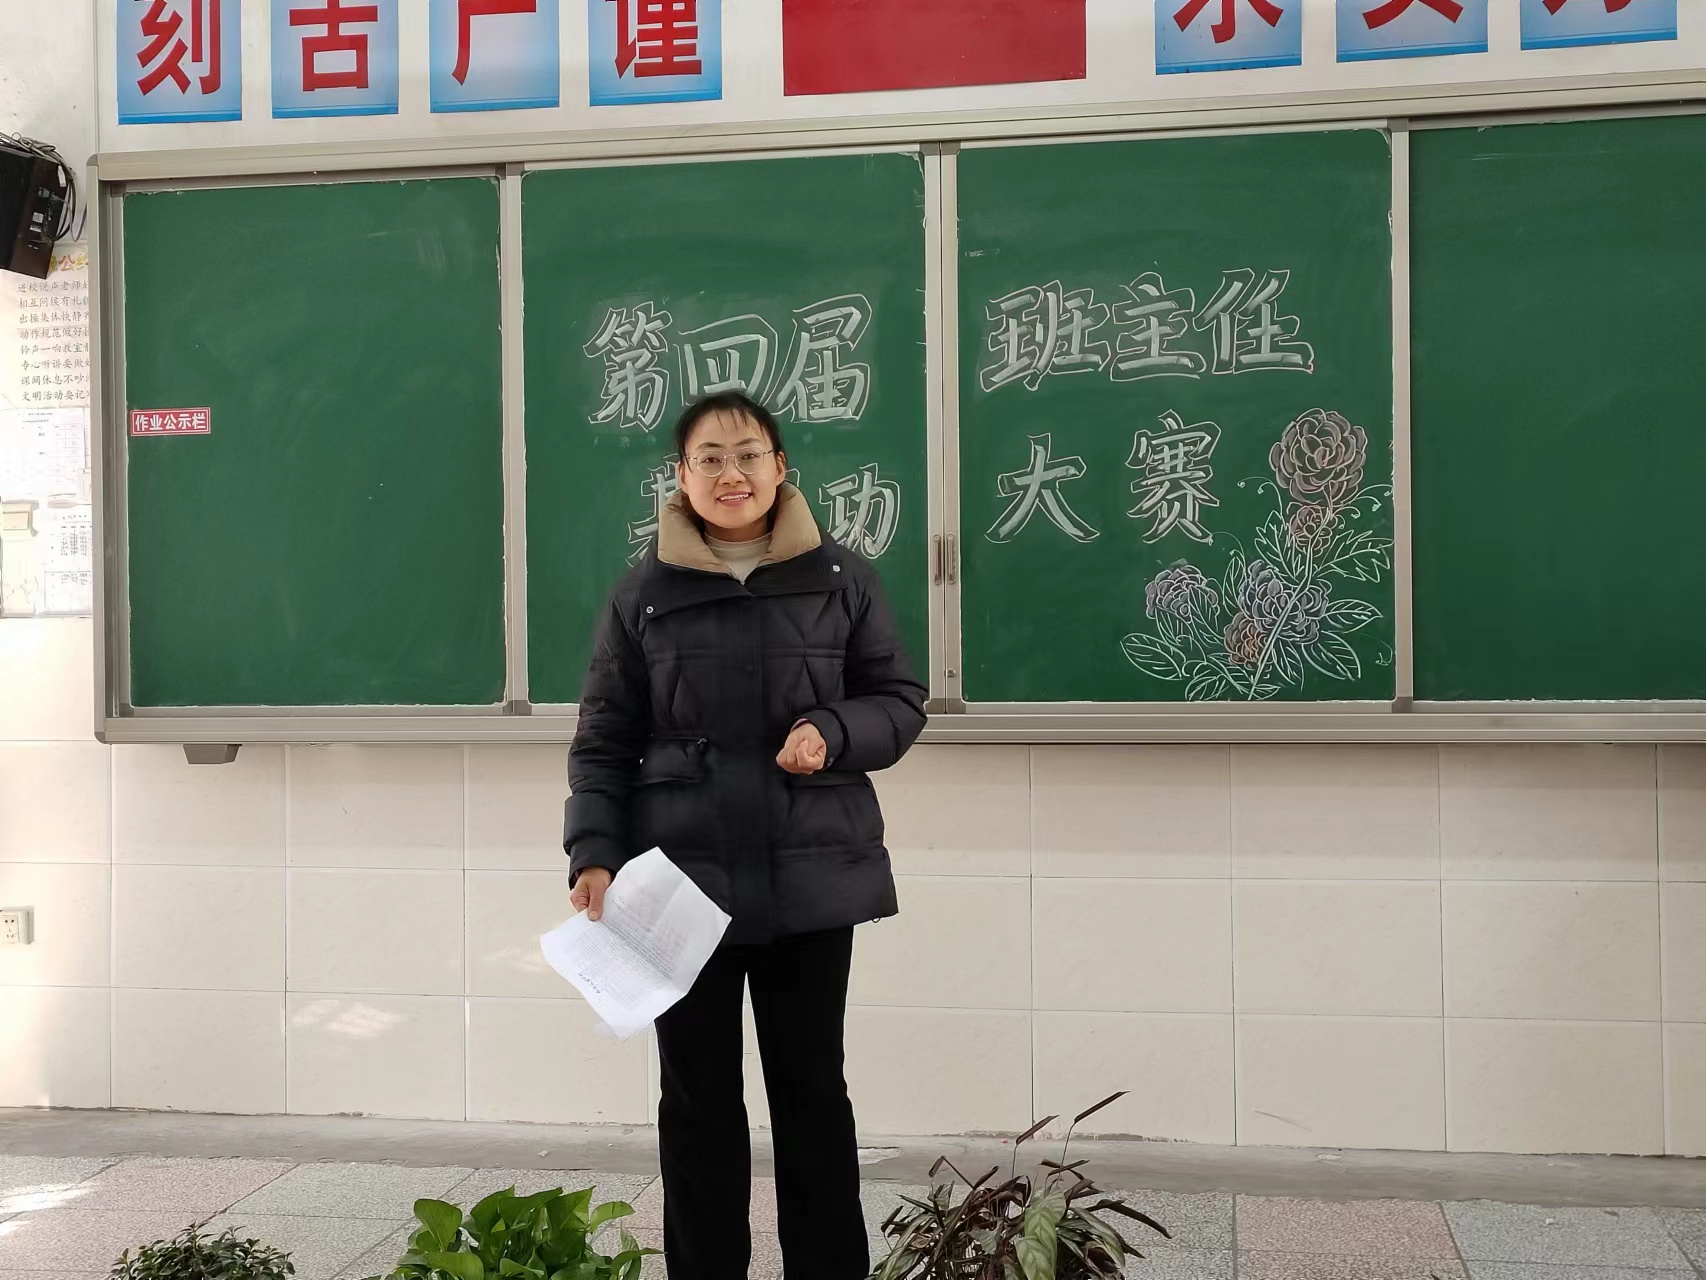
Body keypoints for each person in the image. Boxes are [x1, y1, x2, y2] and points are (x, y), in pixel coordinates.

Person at [564, 390, 927, 1279]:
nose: (732, 473)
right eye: (711, 458)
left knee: (812, 1096)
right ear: (682, 477)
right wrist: (594, 852)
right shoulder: (644, 596)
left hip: (810, 882)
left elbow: (897, 701)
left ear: (780, 467)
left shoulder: (842, 579)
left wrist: (833, 731)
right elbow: (604, 739)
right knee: (696, 1105)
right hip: (680, 889)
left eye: (749, 454)